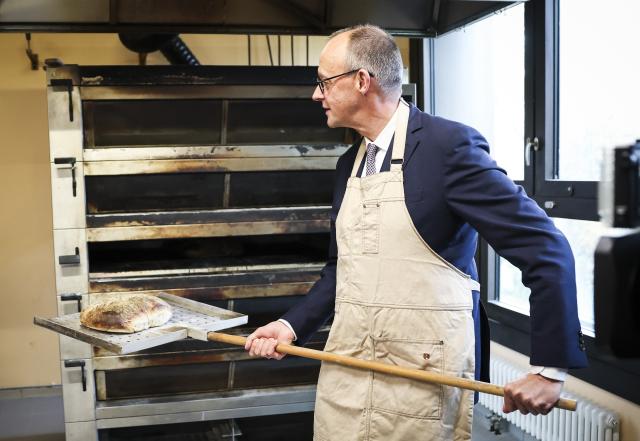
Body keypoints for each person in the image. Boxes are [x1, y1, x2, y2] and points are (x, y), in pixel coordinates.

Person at [244, 24, 587, 440]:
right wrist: (290, 325)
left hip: (422, 380)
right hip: (348, 373)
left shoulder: (448, 148)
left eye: (323, 82)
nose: (316, 95)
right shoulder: (348, 165)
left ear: (361, 81)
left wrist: (549, 369)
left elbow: (545, 248)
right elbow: (342, 269)